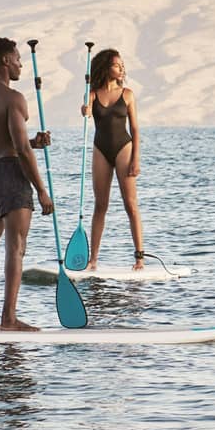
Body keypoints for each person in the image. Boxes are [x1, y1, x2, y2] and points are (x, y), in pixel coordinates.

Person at [0, 37, 54, 331]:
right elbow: (21, 149)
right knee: (15, 247)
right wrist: (42, 190)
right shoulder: (14, 98)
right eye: (17, 58)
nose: (20, 64)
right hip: (11, 176)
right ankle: (9, 318)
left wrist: (31, 143)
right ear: (5, 61)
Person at [79, 48, 148, 269]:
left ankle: (139, 258)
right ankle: (93, 260)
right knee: (100, 205)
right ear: (105, 67)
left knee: (130, 204)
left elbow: (135, 129)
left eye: (122, 65)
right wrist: (85, 110)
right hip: (100, 149)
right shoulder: (92, 93)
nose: (122, 69)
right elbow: (87, 111)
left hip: (123, 148)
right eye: (117, 65)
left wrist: (136, 159)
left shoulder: (127, 94)